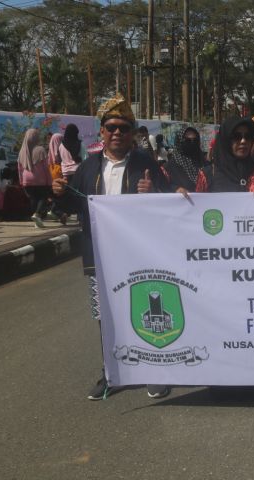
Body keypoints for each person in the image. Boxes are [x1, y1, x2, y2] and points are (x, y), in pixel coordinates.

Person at [52, 93, 171, 401]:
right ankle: (112, 373)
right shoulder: (88, 167)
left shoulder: (147, 164)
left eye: (123, 128)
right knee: (108, 317)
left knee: (148, 312)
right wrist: (59, 193)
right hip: (101, 258)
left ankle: (153, 372)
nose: (117, 133)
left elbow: (169, 204)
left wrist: (154, 190)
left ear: (132, 134)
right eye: (111, 127)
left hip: (140, 256)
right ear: (102, 132)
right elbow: (72, 203)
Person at [17, 128, 52, 228]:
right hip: (40, 180)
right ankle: (37, 214)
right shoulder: (40, 150)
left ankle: (36, 220)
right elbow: (46, 167)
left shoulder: (22, 151)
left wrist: (21, 181)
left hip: (26, 180)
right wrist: (49, 181)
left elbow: (19, 169)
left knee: (33, 199)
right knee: (43, 197)